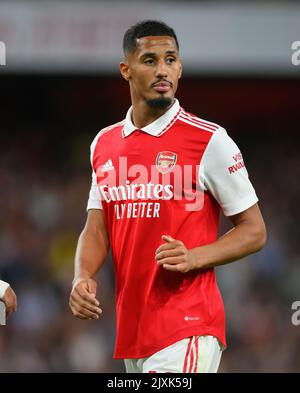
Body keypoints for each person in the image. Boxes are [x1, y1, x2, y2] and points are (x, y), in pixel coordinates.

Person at [69, 20, 266, 373]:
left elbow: (254, 230)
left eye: (171, 59)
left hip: (187, 325)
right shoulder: (104, 143)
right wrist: (82, 275)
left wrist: (195, 257)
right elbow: (97, 227)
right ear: (126, 70)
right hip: (133, 333)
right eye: (150, 60)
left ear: (180, 67)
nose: (163, 70)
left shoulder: (210, 140)